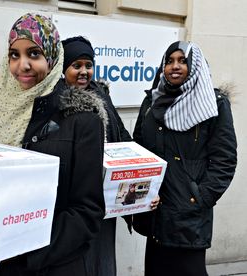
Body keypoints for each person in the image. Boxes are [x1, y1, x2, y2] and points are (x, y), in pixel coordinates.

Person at [0, 13, 106, 276]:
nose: (22, 65)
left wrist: (27, 249)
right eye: (14, 55)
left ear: (52, 57)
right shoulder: (1, 109)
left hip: (51, 265)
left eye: (34, 54)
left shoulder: (83, 119)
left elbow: (87, 212)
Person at [133, 41, 237, 276]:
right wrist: (141, 191)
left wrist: (199, 197)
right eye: (169, 61)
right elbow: (140, 147)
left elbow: (225, 160)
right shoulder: (152, 102)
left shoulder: (214, 105)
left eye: (183, 61)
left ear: (195, 66)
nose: (175, 66)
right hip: (154, 213)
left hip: (187, 216)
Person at [61, 36, 160, 276]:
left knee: (102, 261)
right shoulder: (56, 100)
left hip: (106, 199)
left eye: (89, 65)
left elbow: (123, 137)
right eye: (77, 66)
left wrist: (147, 184)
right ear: (63, 69)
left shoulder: (101, 94)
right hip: (72, 202)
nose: (84, 71)